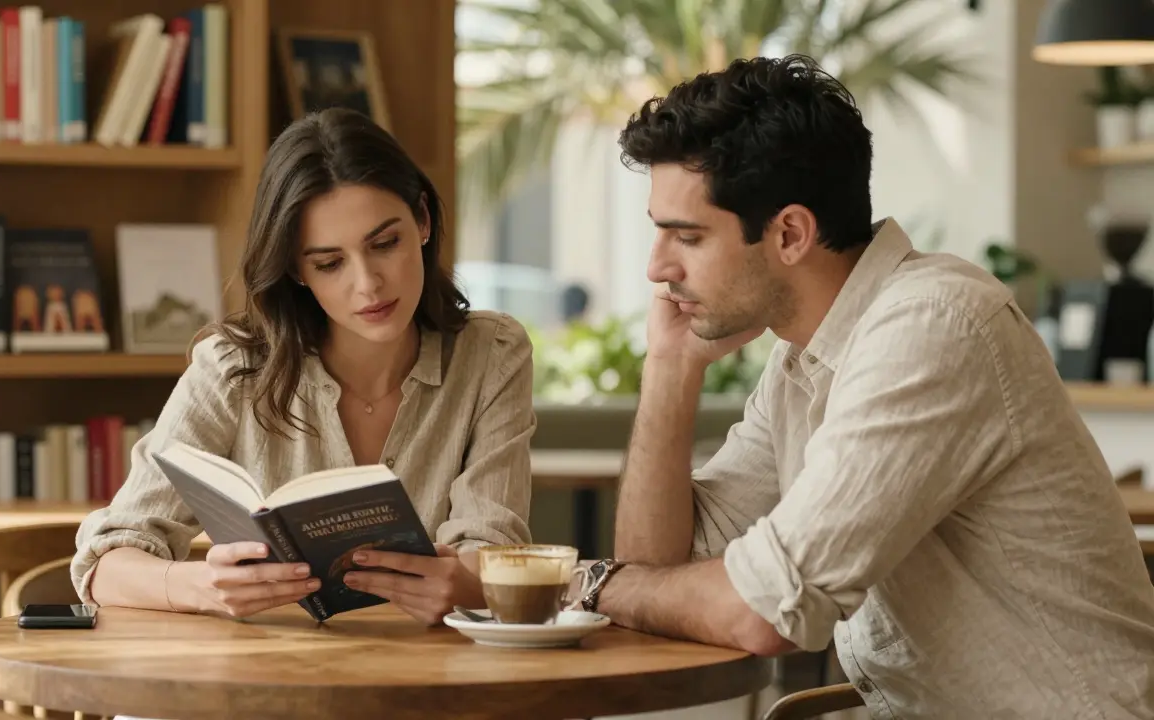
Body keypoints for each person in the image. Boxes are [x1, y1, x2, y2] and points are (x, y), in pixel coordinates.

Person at [578, 55, 1154, 719]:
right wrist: (670, 370)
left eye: (686, 236)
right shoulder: (805, 359)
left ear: (790, 233)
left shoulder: (934, 326)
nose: (656, 267)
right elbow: (662, 563)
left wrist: (591, 584)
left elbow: (764, 611)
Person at [71, 108, 536, 628]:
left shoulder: (492, 352)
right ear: (295, 268)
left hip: (426, 684)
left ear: (423, 220)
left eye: (385, 243)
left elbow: (494, 546)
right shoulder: (233, 368)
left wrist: (468, 583)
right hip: (260, 688)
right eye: (329, 263)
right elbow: (105, 563)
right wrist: (201, 587)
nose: (368, 284)